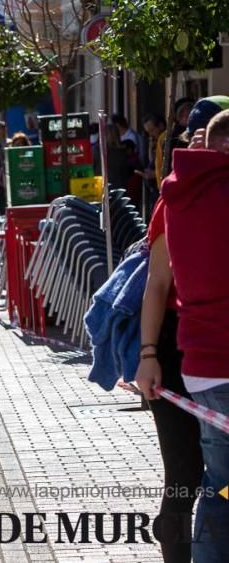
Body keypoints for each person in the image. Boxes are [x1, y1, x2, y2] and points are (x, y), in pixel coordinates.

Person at [139, 110, 229, 562]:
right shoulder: (181, 199)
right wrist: (149, 352)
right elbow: (157, 283)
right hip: (184, 355)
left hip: (194, 358)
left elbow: (158, 282)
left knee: (212, 480)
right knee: (190, 477)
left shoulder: (178, 193)